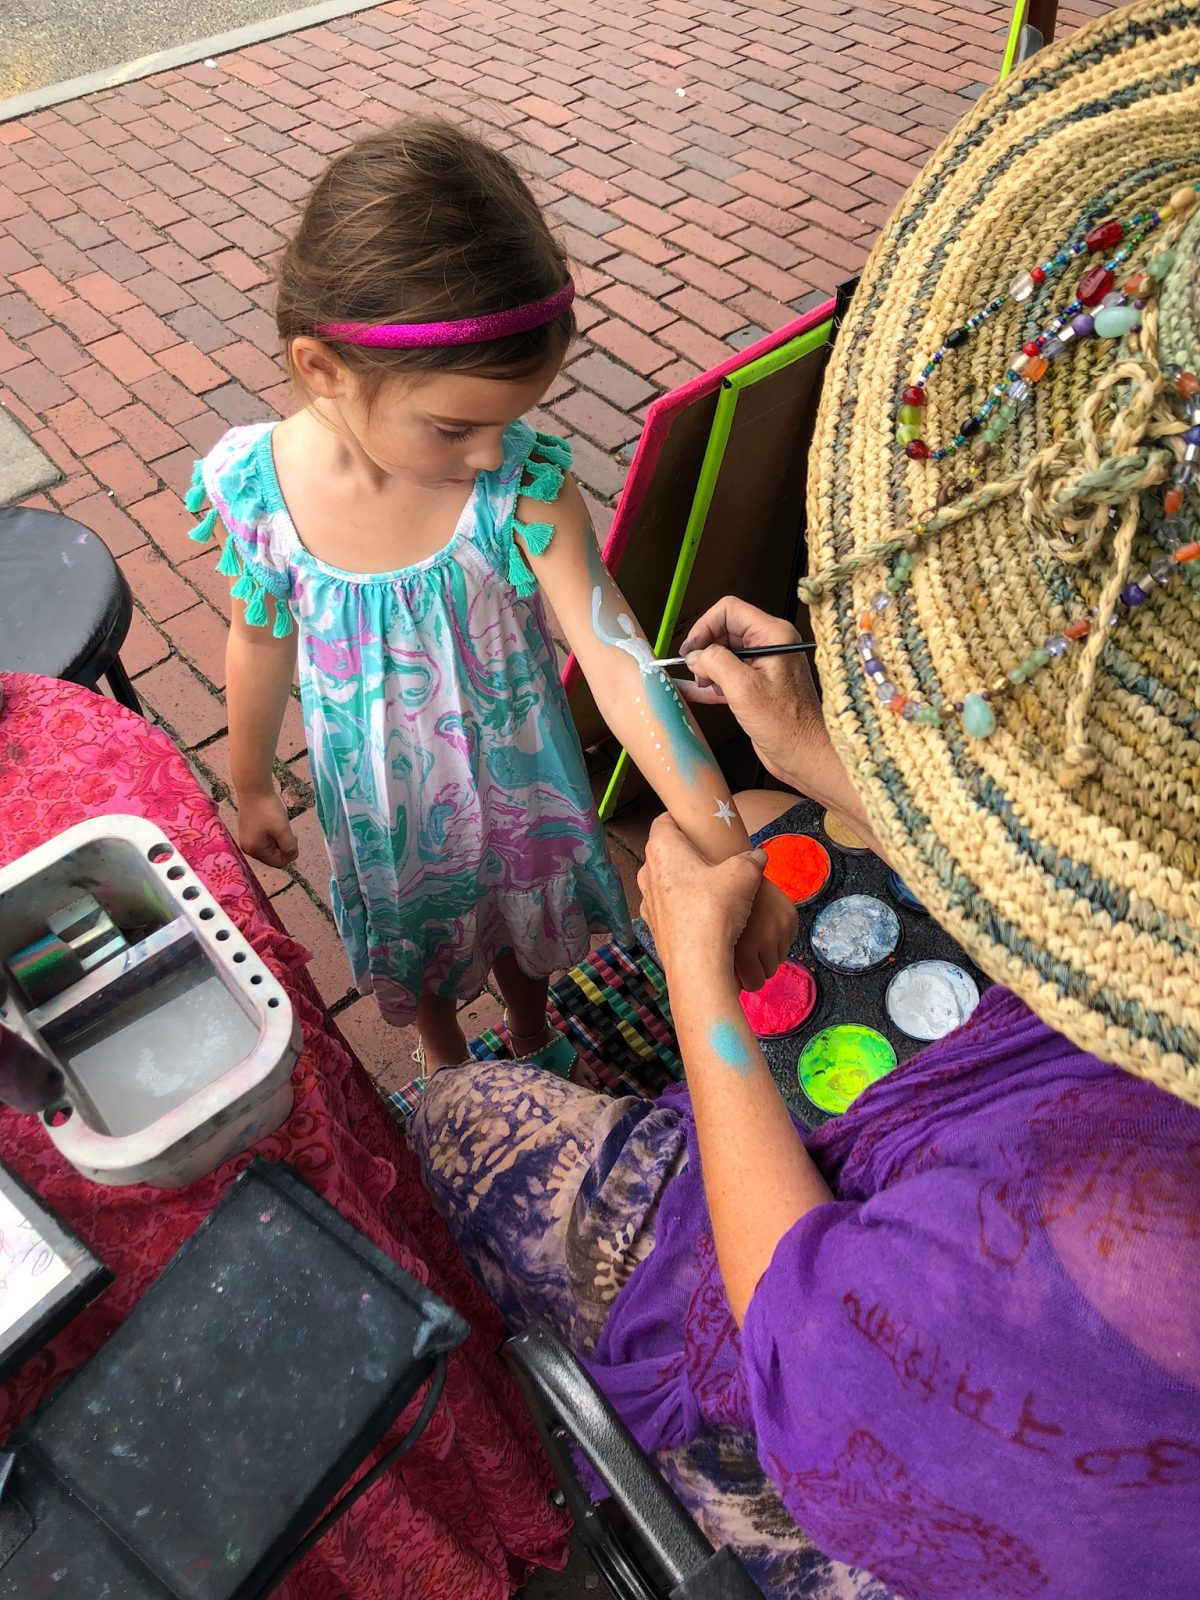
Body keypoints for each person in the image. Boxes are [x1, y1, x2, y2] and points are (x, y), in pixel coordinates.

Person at [407, 6, 1200, 1597]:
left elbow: (800, 1336)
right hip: (993, 1125)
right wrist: (839, 756)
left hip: (859, 1399)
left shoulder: (1084, 1342)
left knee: (443, 1116)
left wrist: (700, 974)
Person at [183, 118, 794, 1076]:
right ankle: (445, 1060)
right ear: (324, 370)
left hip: (522, 786)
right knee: (418, 942)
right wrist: (252, 778)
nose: (488, 453)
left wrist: (728, 850)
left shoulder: (524, 486)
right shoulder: (259, 499)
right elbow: (259, 638)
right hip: (387, 805)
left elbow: (621, 667)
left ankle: (533, 1027)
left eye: (509, 422)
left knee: (523, 929)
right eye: (454, 427)